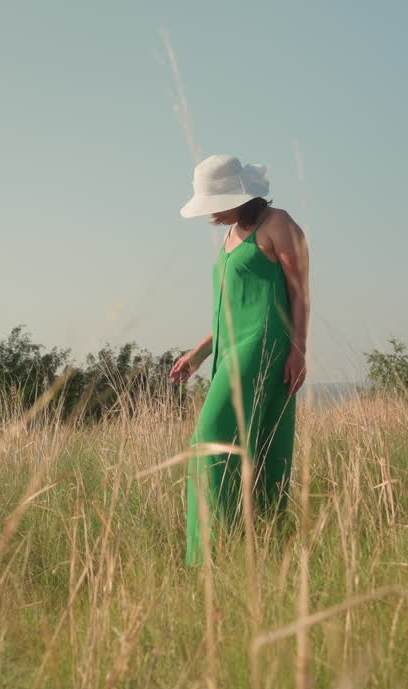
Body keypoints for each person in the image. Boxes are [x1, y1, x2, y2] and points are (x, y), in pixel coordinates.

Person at [169, 154, 310, 566]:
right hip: (230, 346)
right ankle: (252, 549)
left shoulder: (279, 224)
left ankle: (210, 554)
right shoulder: (232, 235)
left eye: (215, 201)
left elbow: (299, 293)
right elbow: (232, 307)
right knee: (253, 446)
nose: (211, 213)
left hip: (265, 344)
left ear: (239, 194)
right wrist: (198, 354)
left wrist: (299, 349)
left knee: (210, 436)